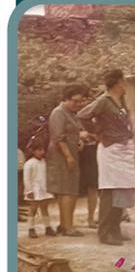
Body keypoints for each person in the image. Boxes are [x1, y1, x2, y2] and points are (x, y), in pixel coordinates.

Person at [77, 69, 135, 246]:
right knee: (110, 190)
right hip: (110, 149)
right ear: (117, 83)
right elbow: (83, 115)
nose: (126, 84)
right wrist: (98, 132)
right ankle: (105, 232)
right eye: (124, 81)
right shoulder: (103, 100)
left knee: (123, 189)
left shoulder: (121, 100)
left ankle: (115, 228)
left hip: (124, 147)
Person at [46, 84, 88, 237]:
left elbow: (75, 132)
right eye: (75, 101)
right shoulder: (58, 113)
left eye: (80, 101)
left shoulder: (71, 113)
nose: (78, 104)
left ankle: (64, 224)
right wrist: (68, 156)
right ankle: (68, 227)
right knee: (66, 191)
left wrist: (79, 141)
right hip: (61, 155)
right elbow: (58, 138)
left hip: (71, 154)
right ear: (66, 99)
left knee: (70, 190)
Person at [24, 141, 53, 238]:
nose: (42, 152)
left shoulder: (45, 162)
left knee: (44, 208)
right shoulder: (29, 163)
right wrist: (29, 191)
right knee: (33, 209)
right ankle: (31, 229)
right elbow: (26, 178)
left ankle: (48, 227)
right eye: (39, 150)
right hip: (34, 190)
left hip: (43, 189)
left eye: (43, 150)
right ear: (33, 151)